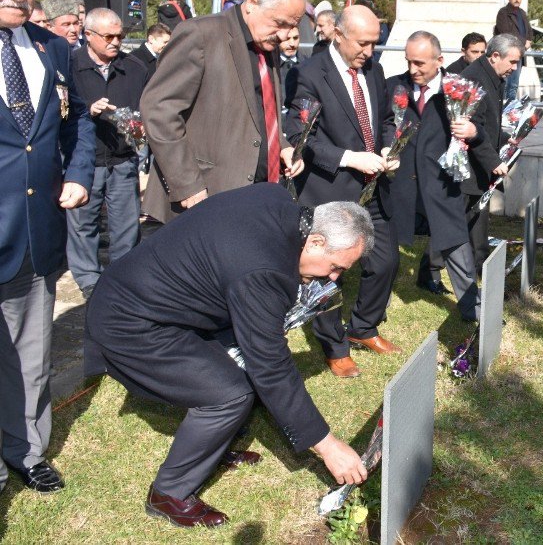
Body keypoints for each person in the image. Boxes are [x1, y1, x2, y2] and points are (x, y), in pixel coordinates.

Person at [83, 184, 373, 527]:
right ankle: (169, 493)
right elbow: (271, 366)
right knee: (229, 394)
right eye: (336, 267)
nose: (334, 277)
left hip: (159, 298)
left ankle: (211, 448)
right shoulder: (265, 271)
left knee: (235, 372)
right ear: (316, 241)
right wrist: (327, 445)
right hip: (130, 321)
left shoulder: (277, 199)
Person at [0, 0, 95, 496]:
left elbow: (77, 119)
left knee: (31, 355)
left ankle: (26, 449)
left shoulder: (49, 48)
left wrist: (78, 171)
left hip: (34, 234)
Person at [284, 5, 400, 379]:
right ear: (337, 34)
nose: (369, 51)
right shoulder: (308, 73)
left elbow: (383, 120)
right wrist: (351, 158)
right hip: (330, 187)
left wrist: (386, 150)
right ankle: (335, 346)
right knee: (327, 273)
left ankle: (363, 327)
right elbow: (304, 137)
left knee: (384, 261)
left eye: (374, 44)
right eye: (362, 43)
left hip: (372, 184)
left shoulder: (375, 70)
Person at [140, 0, 306, 223]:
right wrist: (187, 184)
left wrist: (281, 147)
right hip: (202, 198)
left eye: (292, 27)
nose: (284, 36)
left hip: (252, 198)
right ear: (251, 3)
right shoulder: (201, 34)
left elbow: (257, 113)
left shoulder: (265, 44)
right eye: (279, 23)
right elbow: (159, 109)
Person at [389, 31, 481, 320]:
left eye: (420, 63)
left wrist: (473, 133)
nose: (413, 69)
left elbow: (481, 132)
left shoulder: (461, 92)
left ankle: (472, 309)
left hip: (442, 183)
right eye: (409, 62)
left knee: (455, 244)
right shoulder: (393, 87)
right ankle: (376, 307)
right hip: (400, 183)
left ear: (439, 61)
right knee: (384, 249)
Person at [66, 8, 146, 300]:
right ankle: (88, 280)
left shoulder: (135, 68)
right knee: (82, 224)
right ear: (89, 35)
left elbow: (146, 113)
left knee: (126, 225)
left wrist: (135, 124)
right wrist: (88, 110)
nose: (116, 42)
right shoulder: (70, 65)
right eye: (109, 36)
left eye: (120, 36)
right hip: (85, 160)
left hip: (123, 157)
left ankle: (123, 279)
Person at [458, 33, 521, 270]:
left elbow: (488, 123)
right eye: (512, 62)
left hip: (479, 165)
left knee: (478, 216)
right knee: (457, 221)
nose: (514, 68)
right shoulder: (475, 79)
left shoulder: (491, 75)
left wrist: (505, 138)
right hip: (468, 164)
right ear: (495, 56)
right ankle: (430, 270)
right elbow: (472, 127)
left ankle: (480, 263)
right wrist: (493, 161)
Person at [494, 0, 532, 101]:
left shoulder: (522, 13)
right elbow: (506, 32)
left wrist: (529, 39)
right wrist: (523, 41)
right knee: (505, 83)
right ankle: (502, 110)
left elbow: (529, 30)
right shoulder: (503, 13)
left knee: (514, 85)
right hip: (506, 53)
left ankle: (509, 111)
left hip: (518, 54)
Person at [277, 25, 300, 102]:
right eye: (287, 38)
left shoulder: (308, 65)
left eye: (295, 38)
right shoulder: (269, 66)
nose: (292, 44)